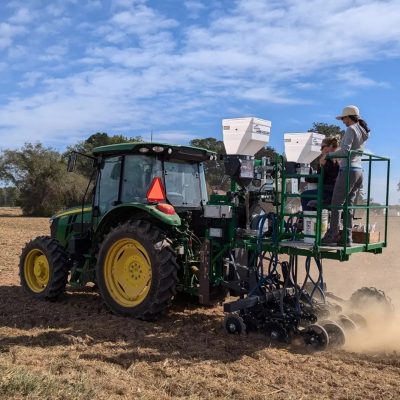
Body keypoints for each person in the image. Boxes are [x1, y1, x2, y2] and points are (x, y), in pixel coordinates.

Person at [321, 105, 370, 246]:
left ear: (349, 117)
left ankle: (332, 235)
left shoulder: (351, 129)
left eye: (343, 118)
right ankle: (347, 238)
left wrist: (328, 155)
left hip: (348, 170)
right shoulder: (362, 130)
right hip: (358, 171)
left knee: (336, 204)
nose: (343, 121)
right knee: (348, 206)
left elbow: (344, 152)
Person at [301, 137, 339, 211]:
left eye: (322, 147)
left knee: (304, 195)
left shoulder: (327, 160)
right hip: (335, 192)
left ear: (330, 147)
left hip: (328, 193)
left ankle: (308, 219)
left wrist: (307, 177)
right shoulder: (338, 159)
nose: (321, 149)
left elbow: (321, 177)